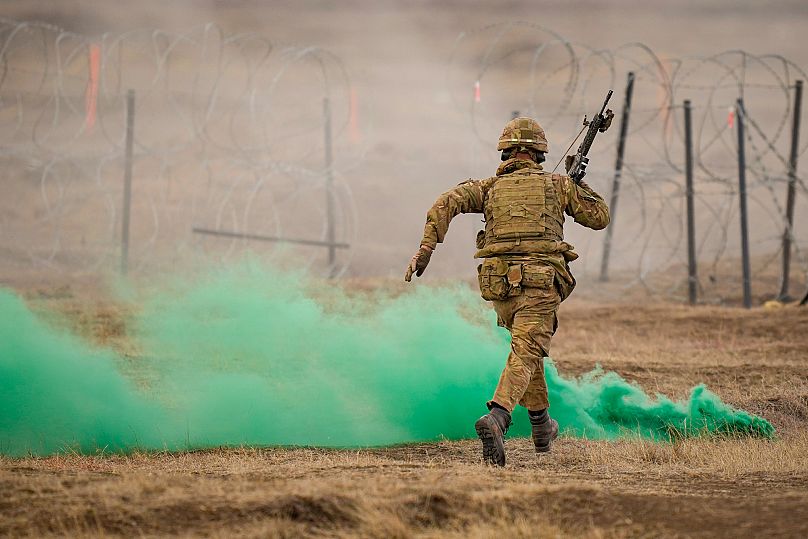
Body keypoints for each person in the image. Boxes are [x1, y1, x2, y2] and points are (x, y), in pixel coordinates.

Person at [404, 117, 610, 466]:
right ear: (540, 154)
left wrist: (425, 250)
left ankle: (541, 426)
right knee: (526, 350)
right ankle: (498, 416)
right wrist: (579, 181)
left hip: (500, 287)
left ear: (505, 152)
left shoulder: (488, 188)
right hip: (540, 284)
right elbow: (599, 217)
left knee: (527, 350)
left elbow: (445, 202)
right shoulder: (559, 186)